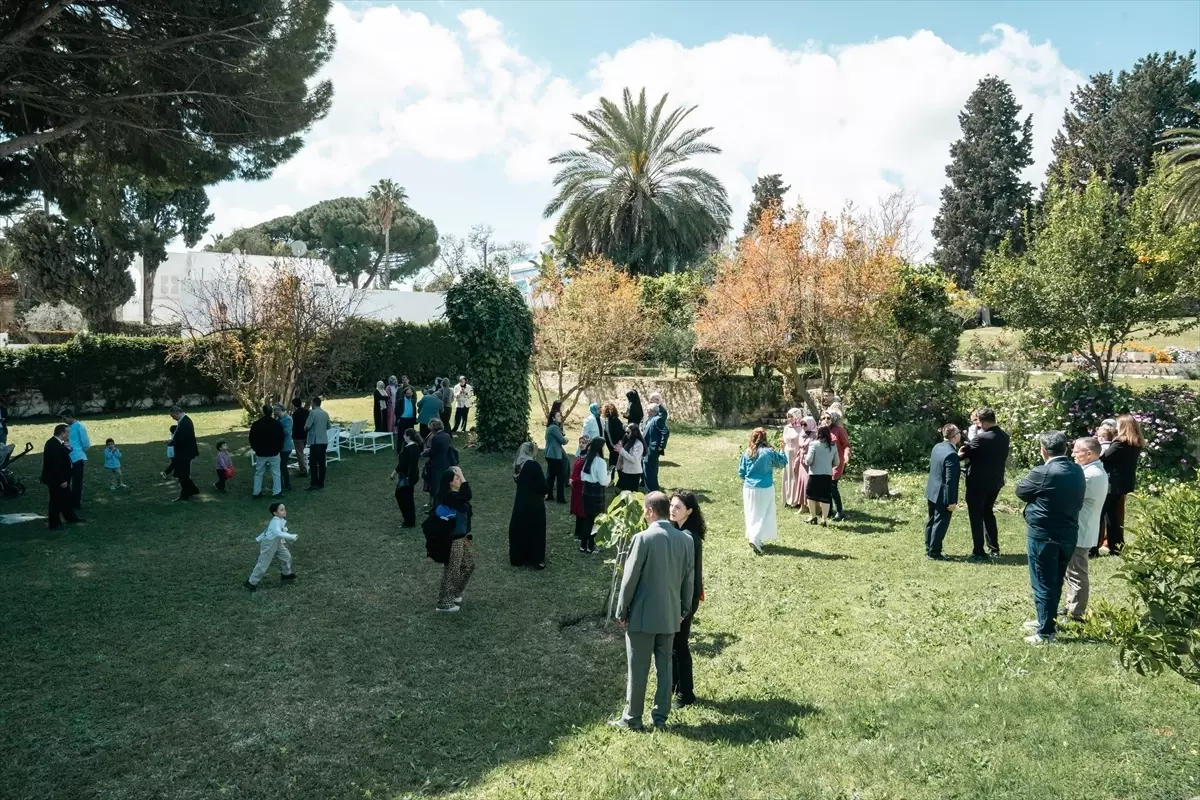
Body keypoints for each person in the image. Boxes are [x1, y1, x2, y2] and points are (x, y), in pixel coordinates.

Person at [610, 492, 695, 731]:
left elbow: (629, 579)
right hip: (670, 614)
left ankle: (633, 718)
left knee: (638, 668)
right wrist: (684, 609)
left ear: (649, 511)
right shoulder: (685, 540)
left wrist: (621, 610)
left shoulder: (643, 538)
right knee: (665, 666)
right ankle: (660, 717)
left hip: (643, 616)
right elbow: (689, 579)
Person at [1015, 431, 1086, 644]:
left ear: (1043, 451)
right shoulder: (1077, 470)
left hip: (1044, 535)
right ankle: (1046, 618)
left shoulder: (1044, 472)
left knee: (1043, 582)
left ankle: (1046, 632)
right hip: (1068, 533)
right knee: (1055, 580)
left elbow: (1021, 491)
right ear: (1065, 448)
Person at [1064, 436, 1109, 622]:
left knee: (1077, 573)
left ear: (1088, 453)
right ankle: (1069, 605)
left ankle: (1076, 613)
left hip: (1080, 529)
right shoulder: (1092, 470)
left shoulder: (1089, 475)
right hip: (1081, 527)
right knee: (1071, 571)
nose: (1073, 454)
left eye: (1077, 451)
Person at [958, 407, 1011, 559]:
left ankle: (978, 551)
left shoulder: (981, 439)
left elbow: (965, 454)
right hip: (995, 481)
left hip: (977, 483)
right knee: (988, 512)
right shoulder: (1004, 436)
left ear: (984, 423)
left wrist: (962, 450)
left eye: (979, 423)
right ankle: (994, 548)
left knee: (976, 515)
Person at [669, 490, 705, 708]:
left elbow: (690, 576)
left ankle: (686, 694)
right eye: (672, 505)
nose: (673, 510)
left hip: (685, 600)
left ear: (689, 511)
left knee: (680, 645)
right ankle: (675, 684)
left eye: (678, 507)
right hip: (679, 598)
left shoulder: (688, 538)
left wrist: (684, 609)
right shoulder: (680, 532)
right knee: (673, 644)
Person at [739, 427, 788, 555]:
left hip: (749, 488)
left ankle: (755, 537)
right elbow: (782, 463)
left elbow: (741, 472)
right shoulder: (769, 452)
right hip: (765, 487)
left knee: (751, 513)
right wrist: (783, 449)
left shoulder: (747, 452)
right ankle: (755, 538)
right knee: (764, 513)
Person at [1099, 414, 1143, 556]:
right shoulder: (1135, 442)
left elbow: (1104, 457)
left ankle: (1097, 545)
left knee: (1103, 515)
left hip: (1112, 483)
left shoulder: (1119, 443)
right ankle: (1117, 546)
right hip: (1124, 483)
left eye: (1117, 425)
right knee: (1113, 516)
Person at [434, 467, 474, 612]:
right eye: (457, 478)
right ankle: (444, 603)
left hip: (462, 537)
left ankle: (454, 593)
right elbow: (468, 494)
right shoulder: (450, 497)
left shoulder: (455, 496)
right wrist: (462, 476)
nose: (460, 480)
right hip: (452, 540)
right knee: (452, 570)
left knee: (468, 565)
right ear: (450, 483)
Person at [924, 424, 962, 561]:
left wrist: (958, 457)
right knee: (940, 522)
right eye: (959, 432)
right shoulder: (951, 454)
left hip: (932, 491)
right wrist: (951, 501)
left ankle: (929, 547)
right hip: (943, 494)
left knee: (931, 520)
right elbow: (950, 480)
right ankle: (934, 552)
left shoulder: (938, 447)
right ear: (955, 436)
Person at [509, 442, 548, 568]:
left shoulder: (518, 465)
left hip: (521, 501)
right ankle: (536, 558)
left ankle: (518, 557)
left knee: (520, 528)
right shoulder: (533, 465)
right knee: (535, 530)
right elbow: (542, 484)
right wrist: (545, 491)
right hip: (534, 502)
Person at [243, 501, 297, 592]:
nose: (284, 511)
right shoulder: (275, 521)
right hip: (269, 543)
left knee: (286, 556)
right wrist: (291, 536)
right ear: (275, 513)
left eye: (284, 509)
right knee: (263, 563)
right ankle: (251, 582)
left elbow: (279, 531)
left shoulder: (279, 520)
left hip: (277, 542)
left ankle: (286, 574)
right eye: (281, 510)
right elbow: (277, 532)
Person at [41, 423, 81, 528]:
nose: (69, 434)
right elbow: (56, 464)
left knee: (66, 497)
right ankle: (54, 523)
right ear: (62, 433)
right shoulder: (54, 445)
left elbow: (62, 456)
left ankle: (70, 517)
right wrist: (62, 480)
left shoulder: (56, 443)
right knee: (56, 500)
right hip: (56, 479)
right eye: (67, 432)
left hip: (59, 478)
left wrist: (67, 448)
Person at [578, 438, 610, 554]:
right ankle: (591, 546)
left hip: (586, 490)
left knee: (588, 519)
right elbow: (603, 481)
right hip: (596, 492)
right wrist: (609, 475)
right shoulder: (601, 462)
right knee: (596, 520)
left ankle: (583, 545)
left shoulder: (587, 459)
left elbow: (582, 476)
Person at [804, 424, 840, 526]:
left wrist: (805, 460)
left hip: (814, 474)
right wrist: (828, 464)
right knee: (825, 497)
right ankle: (824, 519)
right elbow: (837, 462)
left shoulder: (813, 444)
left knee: (811, 496)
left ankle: (813, 516)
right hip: (827, 474)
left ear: (818, 433)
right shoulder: (833, 446)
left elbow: (809, 460)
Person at [249, 404, 285, 499]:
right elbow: (281, 438)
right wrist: (278, 449)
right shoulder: (277, 424)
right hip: (274, 452)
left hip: (261, 453)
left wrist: (256, 449)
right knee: (276, 472)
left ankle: (256, 492)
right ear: (271, 412)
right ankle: (277, 492)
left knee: (259, 472)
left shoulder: (256, 424)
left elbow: (252, 439)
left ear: (263, 412)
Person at [824, 408, 851, 522]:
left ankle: (840, 512)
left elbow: (847, 445)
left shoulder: (839, 430)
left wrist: (846, 455)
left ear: (834, 418)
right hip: (825, 462)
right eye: (824, 418)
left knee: (832, 486)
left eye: (828, 418)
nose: (826, 420)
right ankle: (829, 510)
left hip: (837, 462)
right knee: (826, 486)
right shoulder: (824, 429)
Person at [61, 409, 90, 510]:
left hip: (77, 457)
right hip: (68, 458)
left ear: (70, 416)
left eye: (64, 418)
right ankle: (68, 501)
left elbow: (86, 443)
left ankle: (76, 503)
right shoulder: (67, 428)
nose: (63, 420)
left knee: (77, 482)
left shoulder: (80, 427)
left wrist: (79, 451)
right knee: (66, 480)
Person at [169, 406, 200, 501]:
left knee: (182, 474)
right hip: (185, 452)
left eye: (173, 416)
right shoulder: (184, 421)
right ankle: (192, 490)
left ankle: (185, 494)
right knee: (183, 473)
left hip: (184, 452)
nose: (172, 418)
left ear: (177, 413)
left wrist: (171, 442)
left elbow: (182, 439)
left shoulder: (185, 422)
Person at [393, 428, 422, 528]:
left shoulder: (408, 449)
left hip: (407, 477)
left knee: (403, 497)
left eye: (405, 435)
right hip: (412, 477)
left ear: (409, 437)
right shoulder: (415, 447)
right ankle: (410, 519)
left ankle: (408, 520)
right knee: (408, 498)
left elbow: (403, 464)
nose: (403, 436)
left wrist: (393, 473)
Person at [422, 419, 454, 506]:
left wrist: (425, 453)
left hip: (436, 465)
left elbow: (433, 452)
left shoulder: (436, 438)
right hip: (444, 464)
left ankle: (436, 506)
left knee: (436, 486)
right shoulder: (447, 435)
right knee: (444, 484)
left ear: (433, 426)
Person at [782, 409, 809, 509]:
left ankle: (797, 499)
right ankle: (787, 498)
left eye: (791, 416)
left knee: (796, 475)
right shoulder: (787, 428)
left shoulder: (801, 428)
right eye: (788, 416)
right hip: (787, 453)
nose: (789, 419)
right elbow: (784, 440)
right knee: (788, 475)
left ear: (797, 416)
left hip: (796, 453)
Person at [304, 397, 331, 490]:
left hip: (315, 441)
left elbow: (307, 426)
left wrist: (307, 429)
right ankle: (321, 482)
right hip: (323, 440)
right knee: (322, 462)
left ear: (314, 403)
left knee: (313, 462)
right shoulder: (325, 413)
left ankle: (314, 482)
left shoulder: (312, 413)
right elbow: (328, 426)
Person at [544, 410, 568, 503]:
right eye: (558, 416)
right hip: (554, 455)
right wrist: (566, 438)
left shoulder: (550, 427)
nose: (560, 417)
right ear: (553, 418)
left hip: (550, 454)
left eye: (560, 416)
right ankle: (560, 498)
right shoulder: (554, 428)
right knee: (560, 476)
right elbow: (562, 440)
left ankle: (549, 495)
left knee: (551, 476)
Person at [643, 403, 667, 492]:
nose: (646, 411)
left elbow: (665, 432)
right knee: (648, 470)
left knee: (650, 471)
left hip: (651, 449)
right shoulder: (650, 419)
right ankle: (652, 490)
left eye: (648, 409)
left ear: (653, 411)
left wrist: (661, 445)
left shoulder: (657, 419)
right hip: (647, 448)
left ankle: (651, 491)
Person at [616, 423, 646, 491]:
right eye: (625, 432)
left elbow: (634, 459)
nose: (626, 434)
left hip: (634, 473)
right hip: (626, 471)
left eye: (628, 432)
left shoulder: (638, 444)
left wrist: (622, 451)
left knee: (631, 495)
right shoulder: (629, 441)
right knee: (623, 493)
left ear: (634, 432)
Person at [569, 436, 588, 541]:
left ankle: (581, 533)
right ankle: (577, 532)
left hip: (581, 487)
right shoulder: (580, 456)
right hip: (576, 487)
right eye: (580, 442)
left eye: (584, 443)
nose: (581, 444)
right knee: (577, 509)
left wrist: (574, 480)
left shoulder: (586, 459)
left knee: (582, 510)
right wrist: (571, 479)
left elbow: (584, 476)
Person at [274, 403, 293, 492]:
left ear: (279, 410)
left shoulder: (288, 419)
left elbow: (287, 432)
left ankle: (287, 484)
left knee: (282, 466)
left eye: (275, 410)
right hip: (280, 446)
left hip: (286, 447)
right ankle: (281, 484)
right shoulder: (279, 418)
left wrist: (277, 428)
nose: (274, 412)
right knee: (280, 466)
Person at [290, 398, 310, 476]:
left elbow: (294, 425)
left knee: (300, 453)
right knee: (302, 451)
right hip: (306, 434)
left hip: (298, 436)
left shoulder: (295, 414)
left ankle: (303, 469)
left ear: (294, 405)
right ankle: (306, 465)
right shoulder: (307, 412)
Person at [602, 402, 625, 468]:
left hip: (616, 445)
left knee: (617, 463)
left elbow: (621, 433)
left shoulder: (614, 420)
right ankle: (611, 476)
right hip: (612, 446)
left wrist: (619, 444)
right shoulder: (607, 420)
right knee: (613, 462)